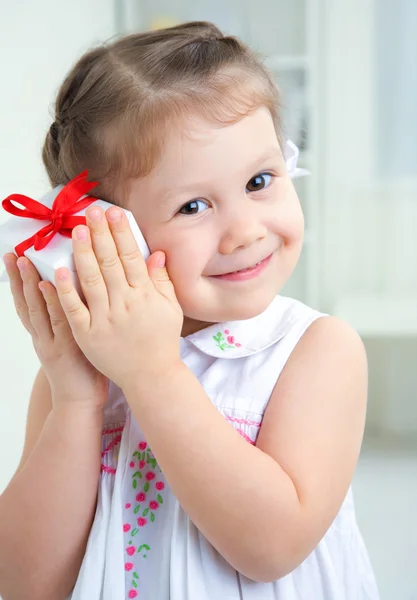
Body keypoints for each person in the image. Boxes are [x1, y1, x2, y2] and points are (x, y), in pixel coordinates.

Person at [0, 21, 380, 600]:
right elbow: (25, 583)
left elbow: (271, 548)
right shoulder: (80, 378)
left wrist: (152, 373)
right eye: (194, 205)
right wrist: (76, 397)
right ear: (108, 235)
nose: (245, 231)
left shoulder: (316, 350)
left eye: (260, 179)